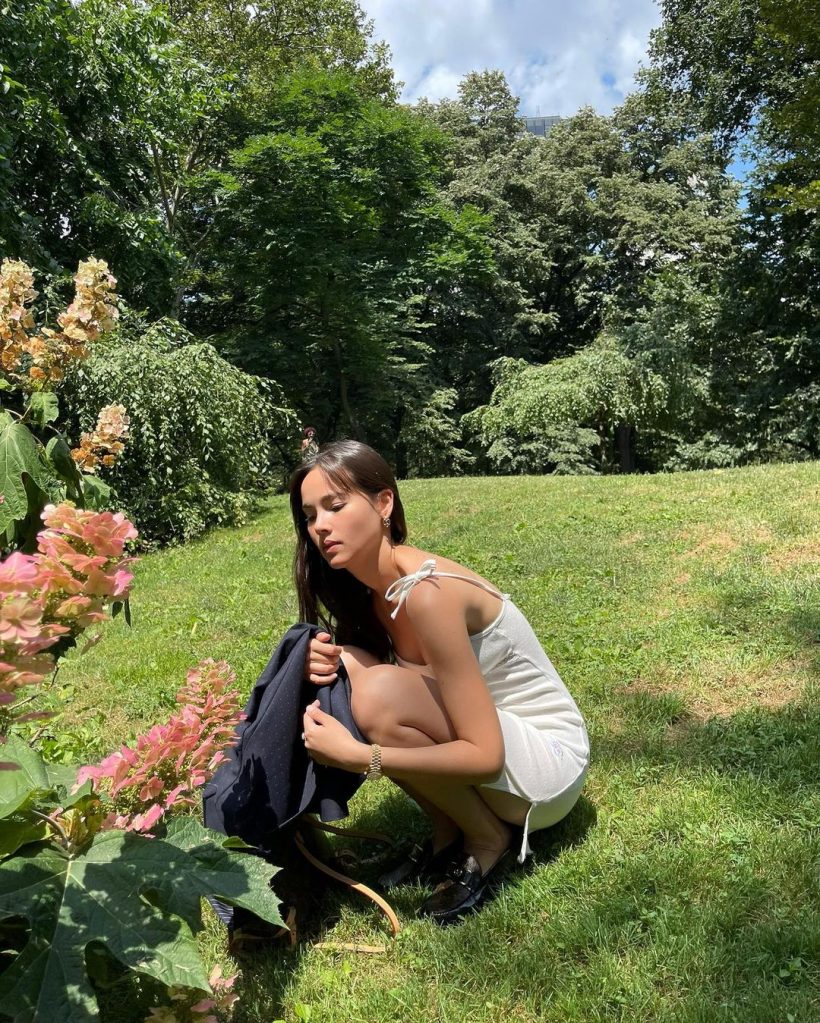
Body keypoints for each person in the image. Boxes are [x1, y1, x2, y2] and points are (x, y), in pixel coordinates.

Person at [291, 440, 589, 923]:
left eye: (335, 505)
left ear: (384, 503)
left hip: (549, 772)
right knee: (355, 672)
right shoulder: (373, 593)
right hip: (506, 754)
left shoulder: (428, 594)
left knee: (379, 696)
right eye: (310, 516)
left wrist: (363, 758)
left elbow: (485, 755)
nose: (320, 526)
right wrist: (328, 657)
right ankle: (448, 832)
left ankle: (487, 839)